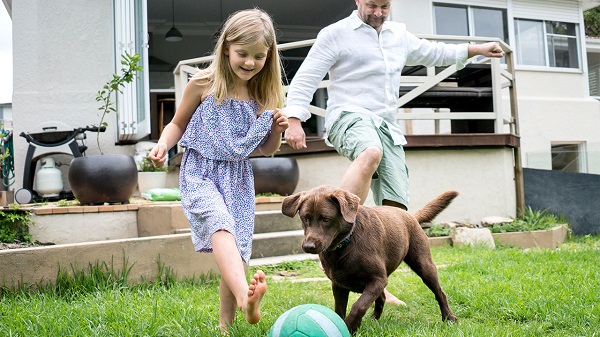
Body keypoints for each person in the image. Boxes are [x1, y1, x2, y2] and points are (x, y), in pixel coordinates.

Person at [283, 0, 504, 305]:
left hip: (386, 125)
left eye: (385, 6)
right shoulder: (336, 34)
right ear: (359, 0)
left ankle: (377, 282)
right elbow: (307, 76)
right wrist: (294, 119)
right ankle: (340, 232)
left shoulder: (398, 35)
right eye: (372, 5)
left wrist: (476, 49)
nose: (378, 13)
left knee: (397, 208)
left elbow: (434, 52)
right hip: (348, 116)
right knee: (370, 151)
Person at [147, 8, 288, 333]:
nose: (250, 63)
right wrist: (163, 145)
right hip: (201, 174)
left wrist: (277, 130)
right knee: (221, 225)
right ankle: (245, 300)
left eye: (259, 56)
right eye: (243, 54)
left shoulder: (262, 96)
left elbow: (265, 150)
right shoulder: (203, 84)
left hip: (238, 179)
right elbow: (177, 123)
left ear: (269, 55)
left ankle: (226, 326)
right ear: (226, 48)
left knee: (236, 249)